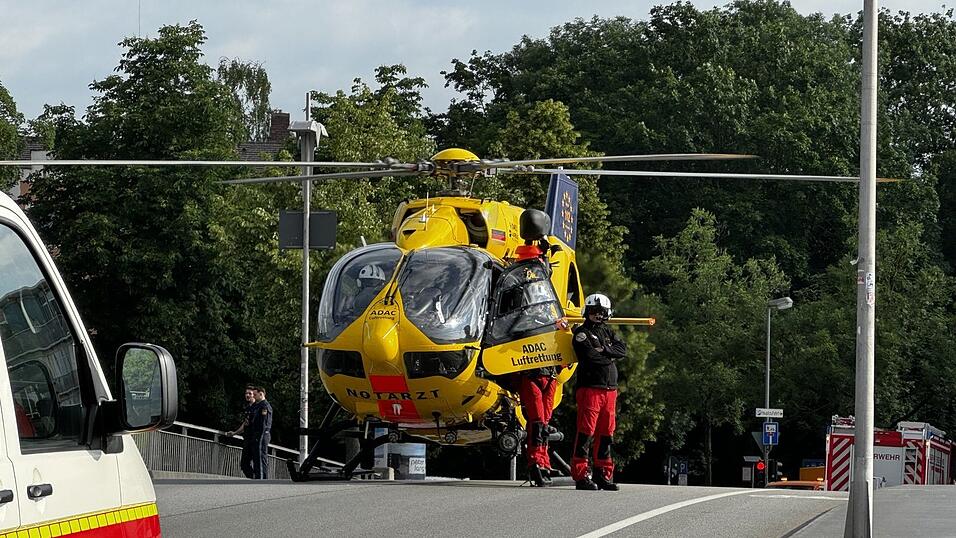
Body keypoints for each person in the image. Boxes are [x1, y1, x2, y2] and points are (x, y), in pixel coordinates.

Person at [570, 293, 625, 491]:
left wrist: (606, 351)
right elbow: (591, 357)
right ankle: (581, 474)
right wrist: (608, 355)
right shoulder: (581, 333)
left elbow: (622, 350)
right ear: (587, 312)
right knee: (586, 433)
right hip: (590, 389)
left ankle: (603, 474)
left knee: (606, 434)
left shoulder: (608, 332)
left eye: (601, 312)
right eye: (594, 312)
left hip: (610, 390)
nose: (597, 315)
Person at [519, 366, 559, 487]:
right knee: (537, 421)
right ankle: (536, 461)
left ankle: (544, 462)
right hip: (531, 375)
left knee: (544, 422)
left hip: (551, 377)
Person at [226, 385, 259, 479]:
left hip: (254, 439)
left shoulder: (257, 407)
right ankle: (254, 479)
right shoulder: (248, 408)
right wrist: (234, 433)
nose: (247, 395)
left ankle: (257, 480)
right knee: (244, 464)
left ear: (254, 395)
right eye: (246, 393)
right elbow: (245, 424)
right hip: (247, 438)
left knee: (255, 462)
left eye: (250, 393)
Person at [249, 386, 274, 479]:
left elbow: (264, 424)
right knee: (257, 457)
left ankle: (262, 478)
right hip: (258, 434)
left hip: (262, 434)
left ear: (261, 394)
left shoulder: (264, 406)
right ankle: (258, 477)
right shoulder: (258, 405)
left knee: (260, 457)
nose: (253, 397)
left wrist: (260, 436)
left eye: (255, 394)